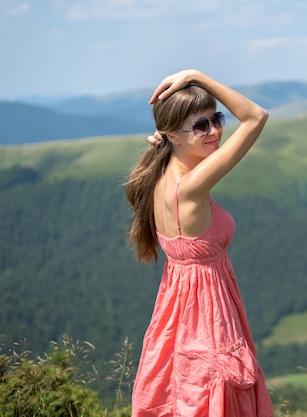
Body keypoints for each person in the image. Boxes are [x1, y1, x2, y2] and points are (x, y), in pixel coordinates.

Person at [124, 69, 273, 417]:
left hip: (178, 311)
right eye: (200, 126)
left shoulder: (159, 175)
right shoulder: (189, 187)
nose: (215, 131)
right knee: (216, 393)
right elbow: (256, 117)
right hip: (208, 312)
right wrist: (198, 76)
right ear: (173, 137)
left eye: (215, 118)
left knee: (182, 393)